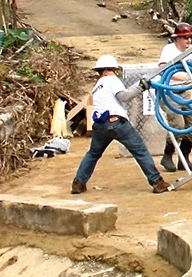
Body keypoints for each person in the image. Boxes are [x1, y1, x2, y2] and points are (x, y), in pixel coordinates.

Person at [72, 55, 170, 194]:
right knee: (140, 151)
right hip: (117, 123)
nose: (115, 73)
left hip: (99, 125)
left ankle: (78, 183)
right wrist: (141, 87)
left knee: (93, 154)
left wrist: (137, 86)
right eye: (113, 70)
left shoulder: (97, 87)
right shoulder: (111, 80)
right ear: (106, 71)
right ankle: (156, 182)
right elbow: (124, 96)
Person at [158, 23, 192, 173]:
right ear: (177, 39)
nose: (188, 40)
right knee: (177, 124)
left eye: (190, 37)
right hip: (169, 91)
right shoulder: (169, 50)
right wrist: (184, 76)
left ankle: (184, 159)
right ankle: (167, 155)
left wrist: (189, 77)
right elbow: (163, 69)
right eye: (185, 38)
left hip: (185, 91)